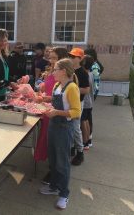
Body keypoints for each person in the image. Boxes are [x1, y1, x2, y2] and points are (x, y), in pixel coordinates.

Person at [39, 58, 81, 210]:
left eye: (55, 69)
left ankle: (64, 194)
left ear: (63, 71)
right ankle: (54, 186)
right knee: (53, 158)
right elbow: (56, 99)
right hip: (53, 126)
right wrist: (46, 99)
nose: (53, 71)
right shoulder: (58, 85)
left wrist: (56, 112)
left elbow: (76, 111)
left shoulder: (72, 88)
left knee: (62, 162)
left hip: (64, 128)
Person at [68, 48, 90, 166]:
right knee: (69, 126)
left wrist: (73, 89)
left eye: (74, 56)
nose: (71, 58)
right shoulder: (68, 70)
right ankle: (71, 147)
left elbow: (86, 89)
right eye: (70, 56)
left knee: (76, 127)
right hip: (67, 103)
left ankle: (80, 152)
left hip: (77, 103)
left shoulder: (82, 72)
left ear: (80, 59)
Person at [81, 55, 95, 150]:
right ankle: (88, 141)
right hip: (89, 101)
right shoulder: (90, 73)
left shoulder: (85, 75)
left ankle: (85, 143)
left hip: (85, 102)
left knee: (84, 121)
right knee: (87, 121)